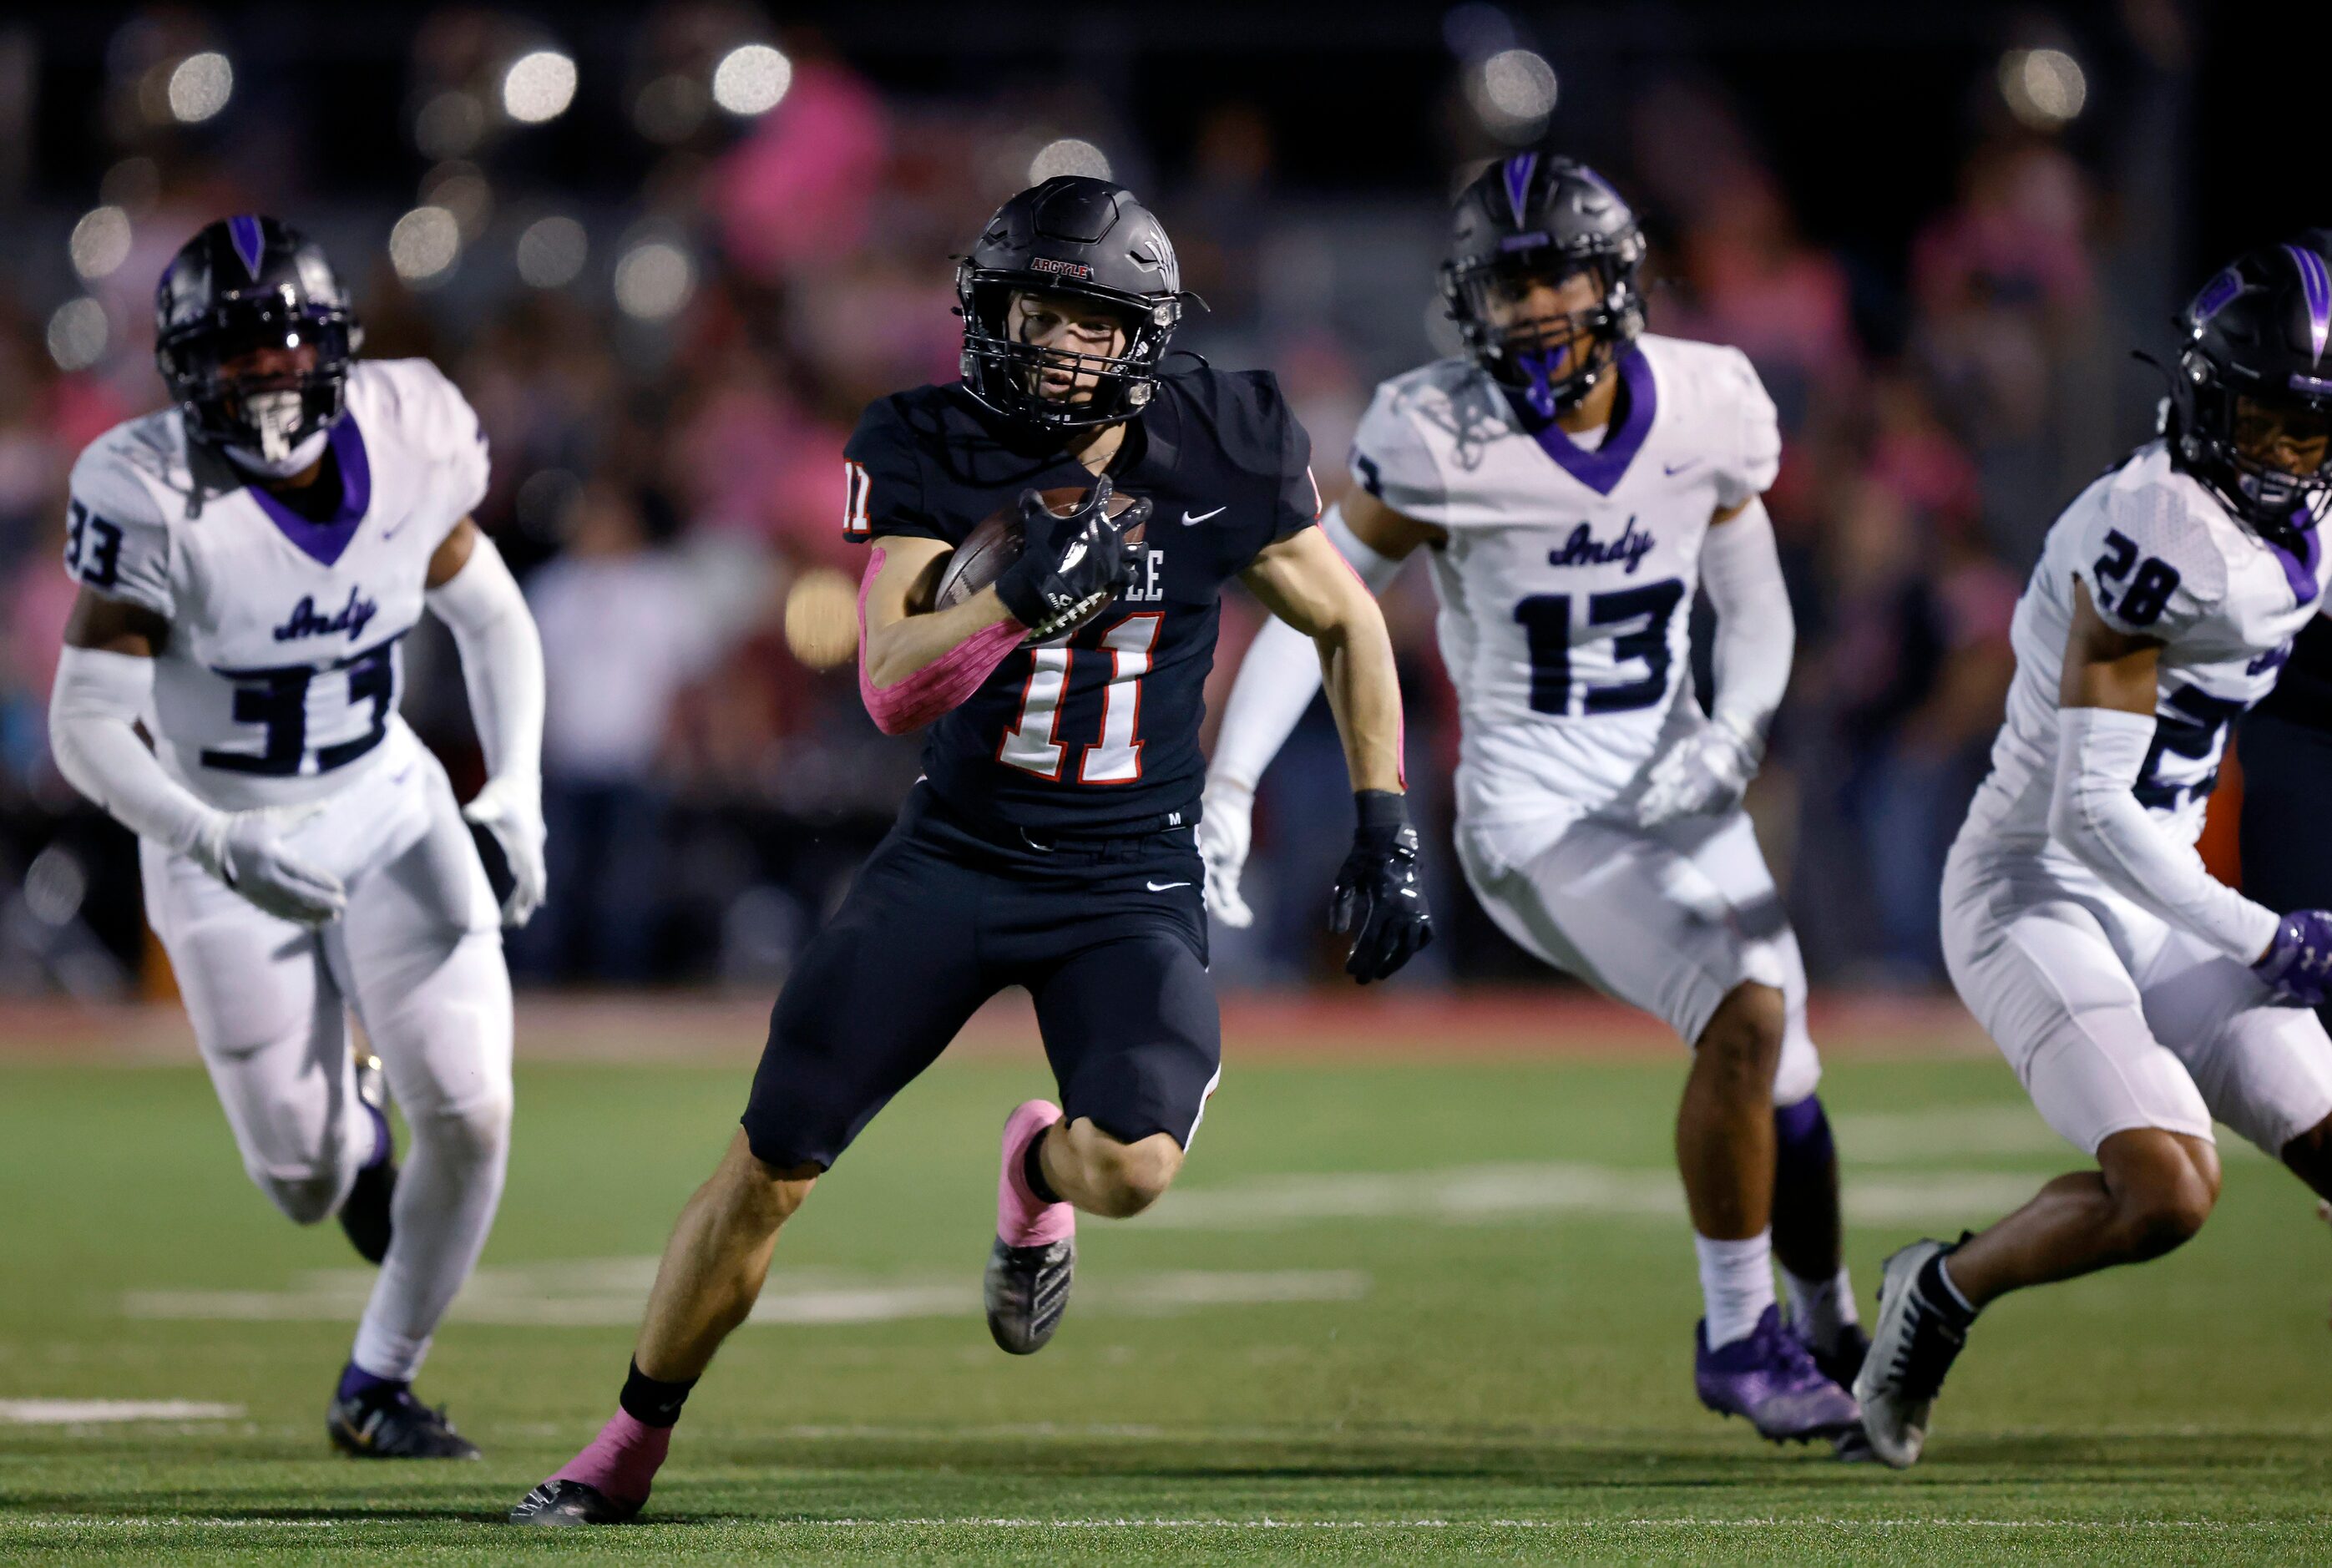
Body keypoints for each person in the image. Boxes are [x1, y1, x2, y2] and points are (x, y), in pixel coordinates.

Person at [509, 175, 1431, 1526]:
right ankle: (626, 1441)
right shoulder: (929, 440)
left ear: (1144, 335)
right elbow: (889, 680)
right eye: (1030, 307)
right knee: (769, 1164)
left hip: (1126, 872)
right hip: (955, 855)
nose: (1051, 340)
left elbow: (1348, 620)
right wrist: (1007, 598)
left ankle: (1030, 1173)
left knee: (1131, 1163)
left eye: (1085, 317)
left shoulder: (1222, 438)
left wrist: (1384, 817)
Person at [1202, 154, 1865, 1448]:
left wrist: (1733, 730)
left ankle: (1832, 1325)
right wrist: (1231, 780)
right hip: (1532, 811)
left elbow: (1754, 595)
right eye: (1505, 283)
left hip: (1677, 785)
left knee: (1787, 1073)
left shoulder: (1709, 402)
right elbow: (1316, 611)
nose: (1530, 306)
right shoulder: (1437, 428)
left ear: (1615, 282)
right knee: (1744, 1009)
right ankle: (1738, 1336)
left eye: (1553, 273)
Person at [47, 216, 546, 1458]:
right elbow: (85, 725)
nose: (266, 378)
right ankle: (355, 1134)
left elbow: (490, 617)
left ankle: (379, 1380)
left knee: (477, 1112)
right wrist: (215, 840)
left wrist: (516, 785)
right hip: (220, 834)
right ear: (181, 370)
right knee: (305, 1176)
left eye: (284, 348)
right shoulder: (148, 489)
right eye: (235, 356)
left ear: (335, 349)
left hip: (387, 801)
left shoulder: (412, 427)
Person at [1857, 240, 2332, 1467]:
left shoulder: (2307, 517)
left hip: (2163, 890)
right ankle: (1941, 1291)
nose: (2289, 456)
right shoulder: (2152, 530)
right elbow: (2088, 811)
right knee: (2168, 1189)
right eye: (2269, 423)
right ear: (2205, 395)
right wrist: (2270, 936)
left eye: (2314, 431)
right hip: (2036, 886)